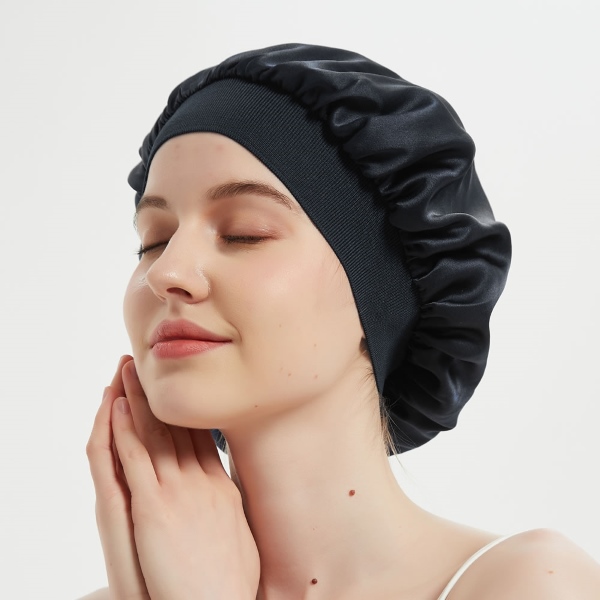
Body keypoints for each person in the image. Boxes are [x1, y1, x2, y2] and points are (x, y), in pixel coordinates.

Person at [82, 43, 600, 599]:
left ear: (381, 291)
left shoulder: (531, 584)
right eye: (154, 240)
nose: (167, 272)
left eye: (244, 233)